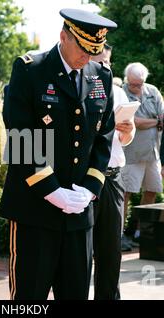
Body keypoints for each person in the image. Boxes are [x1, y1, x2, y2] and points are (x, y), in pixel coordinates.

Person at [0, 8, 117, 300]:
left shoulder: (101, 76)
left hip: (79, 214)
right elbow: (21, 136)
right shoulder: (30, 70)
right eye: (83, 49)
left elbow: (103, 138)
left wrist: (89, 190)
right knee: (29, 297)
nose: (88, 58)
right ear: (64, 36)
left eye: (95, 51)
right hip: (35, 210)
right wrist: (52, 191)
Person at [91, 44, 135, 299]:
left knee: (111, 248)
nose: (105, 67)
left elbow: (126, 139)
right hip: (86, 178)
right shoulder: (81, 88)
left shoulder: (118, 93)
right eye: (100, 62)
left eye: (108, 62)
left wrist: (127, 131)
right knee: (83, 248)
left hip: (113, 176)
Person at [121, 62, 164, 242]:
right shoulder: (122, 92)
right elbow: (134, 122)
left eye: (139, 84)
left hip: (152, 153)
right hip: (131, 155)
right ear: (127, 80)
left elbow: (162, 116)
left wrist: (154, 120)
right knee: (126, 194)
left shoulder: (152, 91)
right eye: (132, 83)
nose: (136, 87)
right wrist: (155, 122)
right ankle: (120, 233)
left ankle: (142, 232)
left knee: (152, 191)